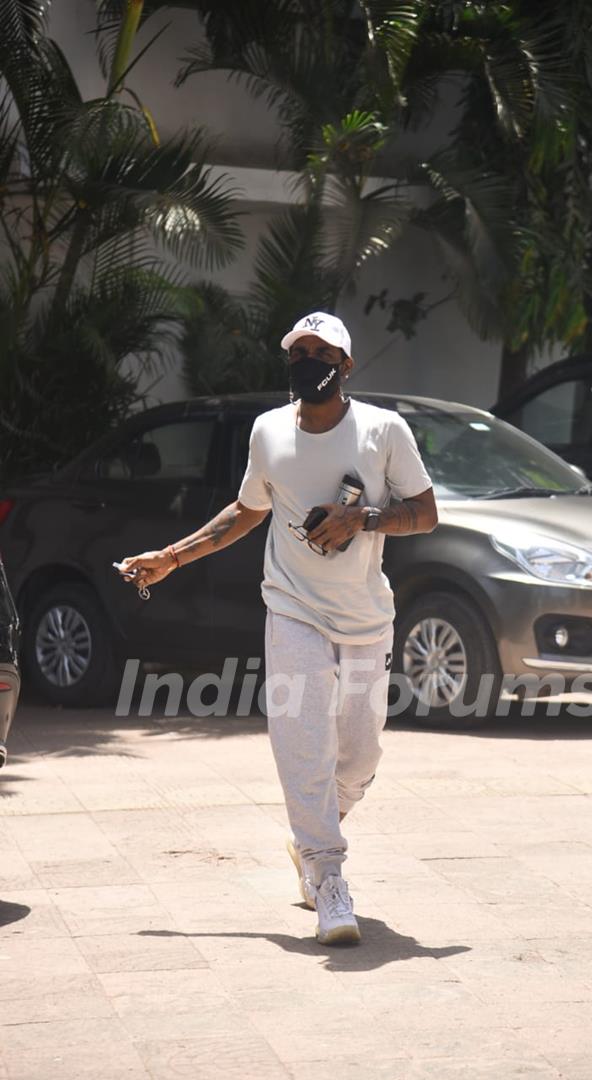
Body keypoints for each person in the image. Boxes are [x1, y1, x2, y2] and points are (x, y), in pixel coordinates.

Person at [118, 312, 437, 945]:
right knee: (302, 742)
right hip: (292, 609)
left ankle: (316, 832)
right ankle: (328, 878)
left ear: (346, 366)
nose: (308, 361)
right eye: (299, 351)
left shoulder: (383, 430)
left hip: (367, 617)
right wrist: (173, 556)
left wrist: (361, 519)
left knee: (360, 756)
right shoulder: (267, 431)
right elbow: (246, 510)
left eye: (323, 352)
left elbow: (425, 515)